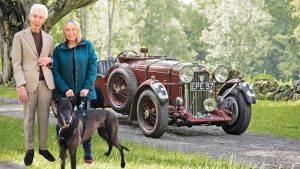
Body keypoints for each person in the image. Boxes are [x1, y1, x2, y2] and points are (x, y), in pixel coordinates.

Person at [11, 4, 56, 166]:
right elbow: (16, 63)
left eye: (41, 17)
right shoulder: (19, 37)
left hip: (46, 84)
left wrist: (50, 60)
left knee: (44, 118)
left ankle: (43, 149)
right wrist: (20, 85)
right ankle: (29, 150)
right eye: (35, 16)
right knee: (29, 119)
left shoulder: (49, 39)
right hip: (28, 84)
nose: (37, 20)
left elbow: (53, 58)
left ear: (44, 20)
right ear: (30, 17)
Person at [52, 19, 97, 164]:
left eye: (73, 29)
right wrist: (65, 89)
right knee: (65, 122)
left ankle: (87, 151)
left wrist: (87, 87)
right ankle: (64, 150)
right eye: (67, 30)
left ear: (78, 31)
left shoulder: (87, 46)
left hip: (84, 93)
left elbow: (92, 67)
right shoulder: (59, 50)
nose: (70, 33)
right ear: (64, 32)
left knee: (85, 123)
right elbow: (56, 72)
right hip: (66, 97)